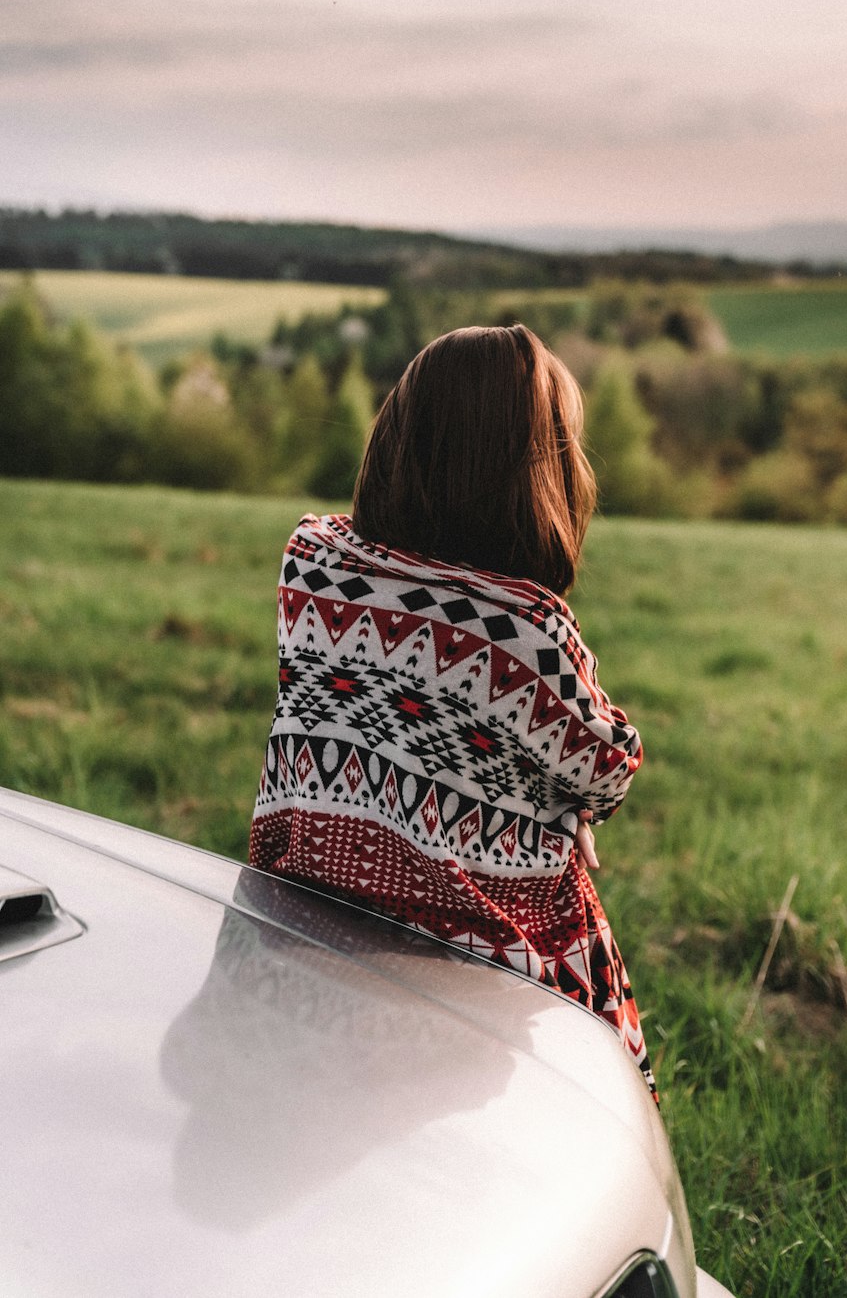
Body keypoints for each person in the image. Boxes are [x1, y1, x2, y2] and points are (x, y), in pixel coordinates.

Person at [250, 324, 656, 1097]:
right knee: (586, 983)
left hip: (301, 919)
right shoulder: (526, 628)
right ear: (532, 475)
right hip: (474, 966)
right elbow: (607, 767)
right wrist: (565, 803)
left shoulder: (310, 563)